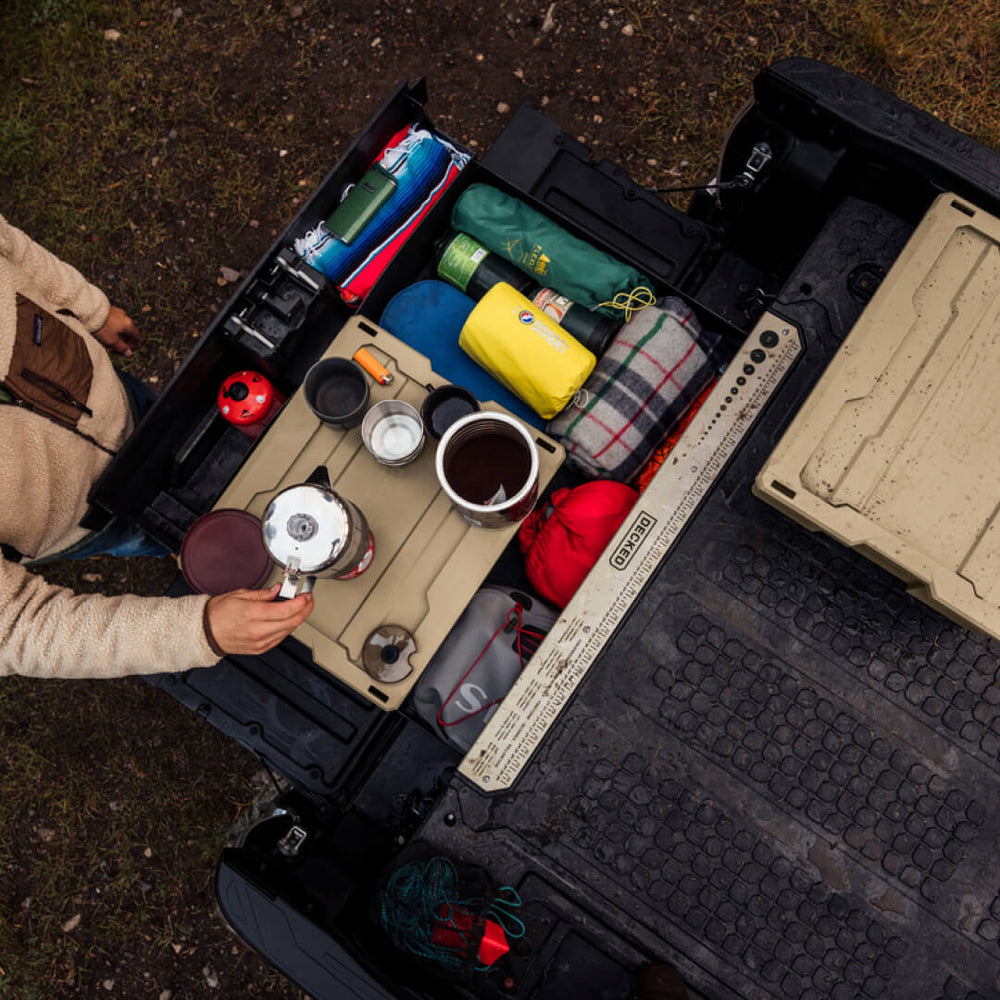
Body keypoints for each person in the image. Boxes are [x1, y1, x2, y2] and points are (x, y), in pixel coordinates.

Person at [0, 212, 313, 679]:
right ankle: (172, 542)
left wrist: (89, 309)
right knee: (169, 539)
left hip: (113, 399)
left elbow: (11, 248)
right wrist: (196, 631)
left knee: (173, 439)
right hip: (85, 516)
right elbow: (18, 628)